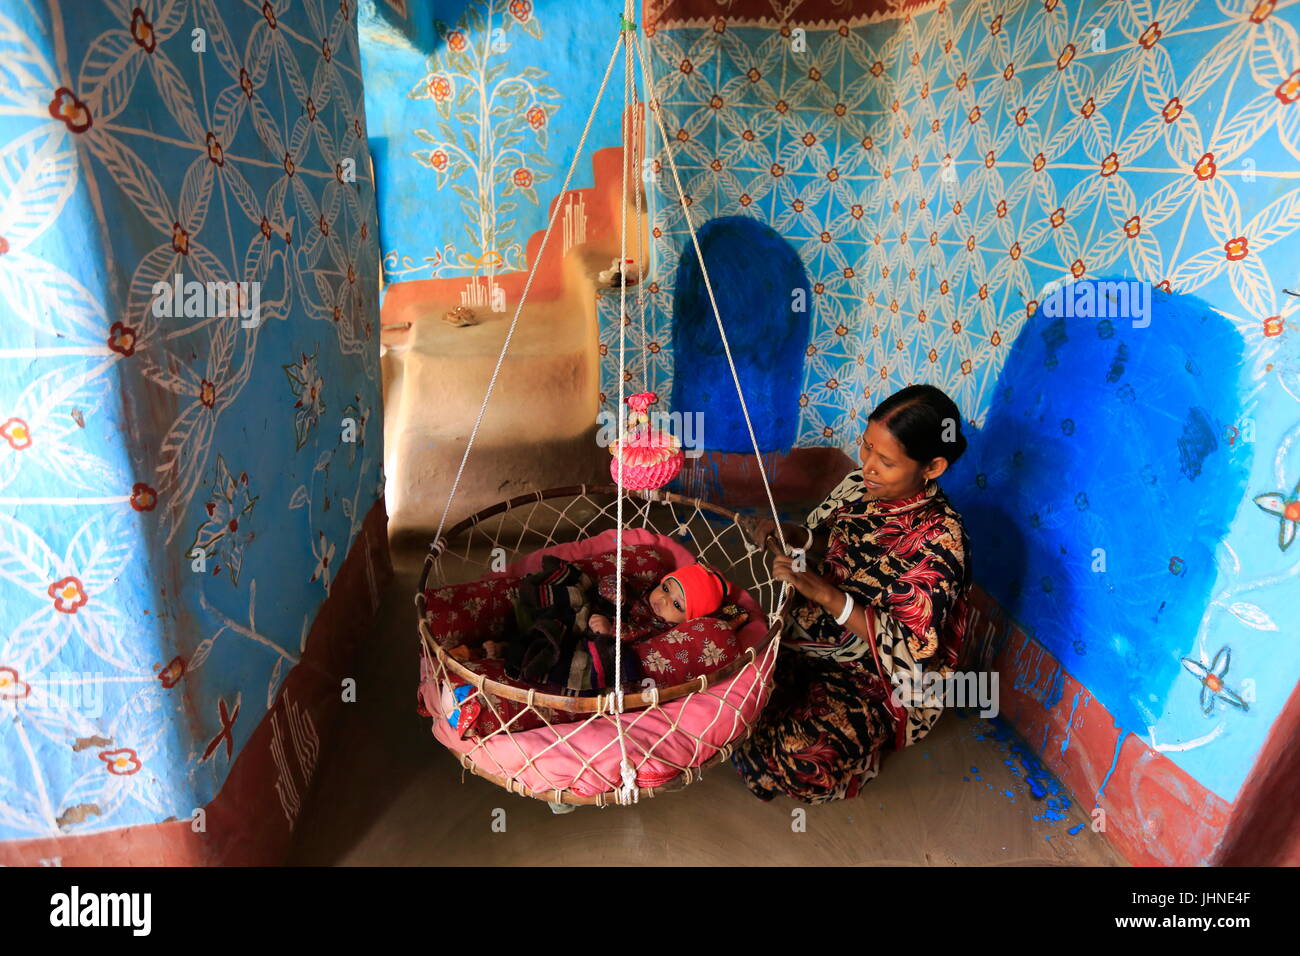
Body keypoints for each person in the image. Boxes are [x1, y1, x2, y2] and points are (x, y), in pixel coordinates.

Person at [732, 384, 972, 803]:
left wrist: (828, 596)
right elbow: (828, 539)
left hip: (876, 677)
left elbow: (912, 653)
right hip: (808, 638)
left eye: (887, 461)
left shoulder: (941, 543)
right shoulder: (859, 486)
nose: (869, 467)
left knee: (800, 758)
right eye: (865, 449)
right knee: (733, 703)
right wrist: (794, 536)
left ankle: (862, 756)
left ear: (932, 466)